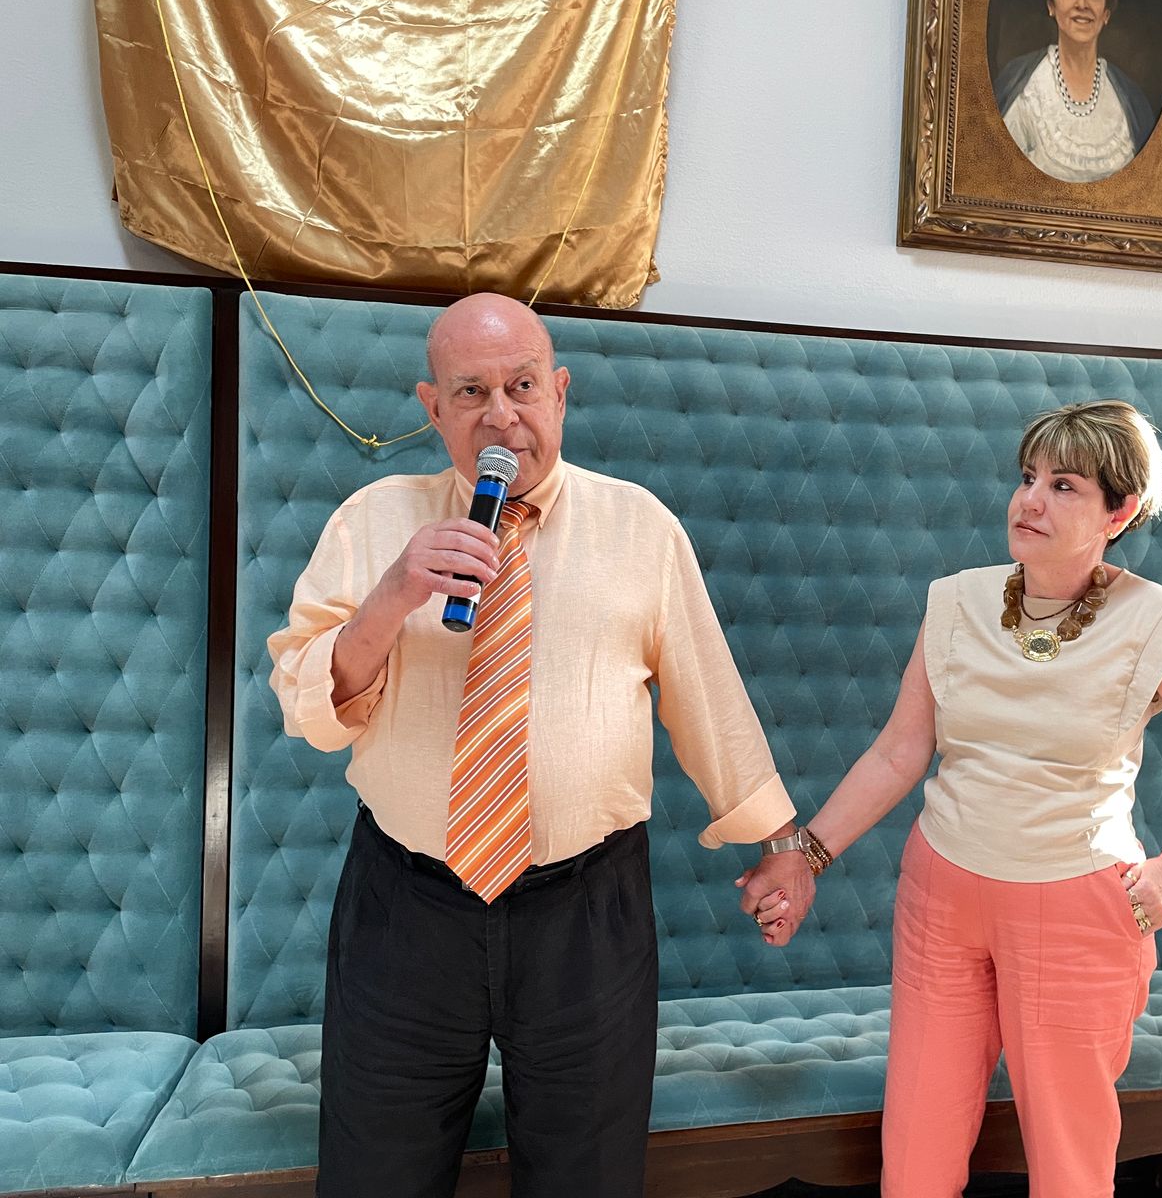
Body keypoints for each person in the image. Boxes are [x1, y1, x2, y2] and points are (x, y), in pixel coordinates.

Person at [268, 293, 813, 1198]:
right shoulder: (372, 521)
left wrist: (782, 842)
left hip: (586, 916)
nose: (500, 416)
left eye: (521, 386)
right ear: (432, 408)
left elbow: (710, 700)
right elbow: (310, 712)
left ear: (559, 393)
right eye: (470, 392)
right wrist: (393, 597)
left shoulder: (639, 527)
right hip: (406, 909)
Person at [741, 401, 1162, 1196]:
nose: (1029, 500)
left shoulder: (1154, 623)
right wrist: (804, 856)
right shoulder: (957, 602)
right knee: (916, 1150)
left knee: (1069, 1165)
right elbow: (899, 752)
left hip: (1074, 911)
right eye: (1028, 477)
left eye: (1064, 486)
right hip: (941, 894)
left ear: (1119, 512)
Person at [994, 0, 1158, 183]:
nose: (1082, 4)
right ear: (1051, 6)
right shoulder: (1023, 90)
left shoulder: (1131, 101)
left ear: (1106, 13)